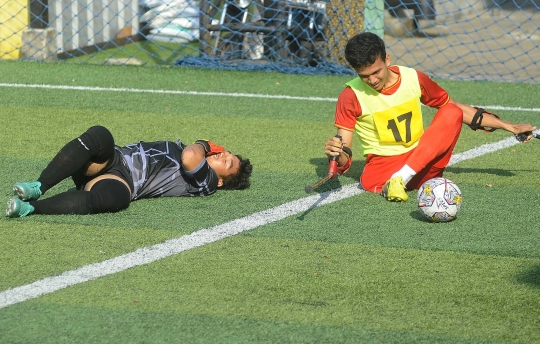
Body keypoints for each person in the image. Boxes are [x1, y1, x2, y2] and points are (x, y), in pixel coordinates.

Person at [324, 32, 536, 202]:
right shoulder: (350, 96)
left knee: (452, 111)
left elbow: (455, 108)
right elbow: (345, 159)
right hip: (382, 175)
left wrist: (509, 126)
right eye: (364, 76)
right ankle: (398, 180)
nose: (372, 80)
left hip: (421, 166)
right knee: (451, 112)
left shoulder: (413, 78)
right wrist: (337, 153)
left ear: (387, 59)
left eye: (377, 72)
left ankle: (402, 178)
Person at [6, 125, 253, 217]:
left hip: (120, 180)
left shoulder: (207, 182)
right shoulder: (198, 159)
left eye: (227, 162)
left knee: (117, 199)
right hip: (112, 159)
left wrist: (205, 144)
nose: (223, 155)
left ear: (222, 181)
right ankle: (38, 187)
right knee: (99, 135)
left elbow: (190, 158)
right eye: (226, 153)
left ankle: (31, 208)